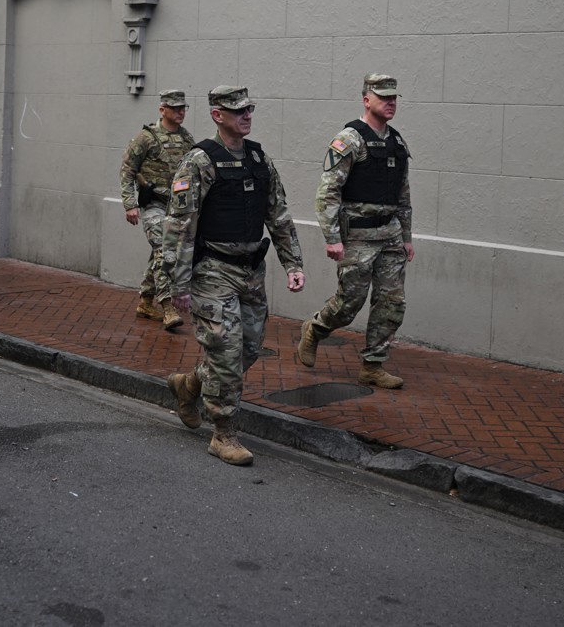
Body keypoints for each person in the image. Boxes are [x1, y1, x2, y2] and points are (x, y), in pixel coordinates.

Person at [161, 85, 305, 466]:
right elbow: (180, 226)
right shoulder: (199, 161)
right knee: (225, 352)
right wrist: (177, 285)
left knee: (249, 349)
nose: (246, 115)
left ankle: (188, 385)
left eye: (249, 109)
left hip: (250, 272)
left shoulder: (259, 158)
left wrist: (293, 263)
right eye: (237, 110)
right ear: (216, 115)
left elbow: (279, 214)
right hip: (212, 271)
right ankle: (223, 434)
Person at [295, 74, 414, 389]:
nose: (391, 102)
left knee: (392, 302)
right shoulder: (349, 139)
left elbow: (403, 195)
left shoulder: (396, 142)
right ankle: (316, 329)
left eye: (394, 98)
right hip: (358, 236)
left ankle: (373, 365)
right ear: (366, 100)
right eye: (384, 97)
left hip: (389, 235)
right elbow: (327, 193)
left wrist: (407, 237)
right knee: (349, 304)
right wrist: (332, 238)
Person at [119, 89, 196, 330]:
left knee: (159, 252)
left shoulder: (186, 139)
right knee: (165, 251)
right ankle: (168, 307)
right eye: (175, 108)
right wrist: (130, 204)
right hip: (153, 206)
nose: (180, 112)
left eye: (183, 108)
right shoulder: (147, 137)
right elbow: (127, 170)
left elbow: (194, 171)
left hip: (176, 208)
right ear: (162, 110)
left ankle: (145, 301)